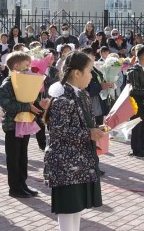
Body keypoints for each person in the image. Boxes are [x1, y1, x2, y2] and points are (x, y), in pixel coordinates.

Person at [43, 52, 105, 231]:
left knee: (76, 207)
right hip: (65, 162)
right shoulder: (63, 99)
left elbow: (86, 123)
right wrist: (89, 134)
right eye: (89, 71)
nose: (92, 76)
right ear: (77, 73)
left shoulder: (82, 95)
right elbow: (59, 131)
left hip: (79, 160)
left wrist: (99, 130)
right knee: (67, 208)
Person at [0, 51, 49, 198]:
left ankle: (23, 184)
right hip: (13, 126)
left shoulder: (24, 82)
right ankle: (14, 188)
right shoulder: (7, 84)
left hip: (25, 124)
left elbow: (30, 103)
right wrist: (28, 107)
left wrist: (40, 105)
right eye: (26, 65)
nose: (29, 68)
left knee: (22, 157)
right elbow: (6, 104)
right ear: (16, 66)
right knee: (13, 158)